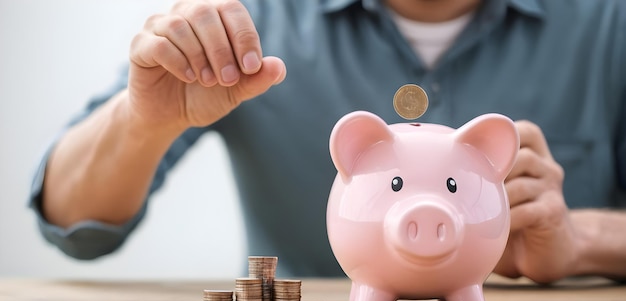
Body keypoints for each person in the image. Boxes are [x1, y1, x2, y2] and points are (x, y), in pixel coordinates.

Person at [29, 0, 626, 283]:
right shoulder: (248, 20)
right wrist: (144, 119)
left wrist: (585, 240)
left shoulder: (610, 22)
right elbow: (70, 222)